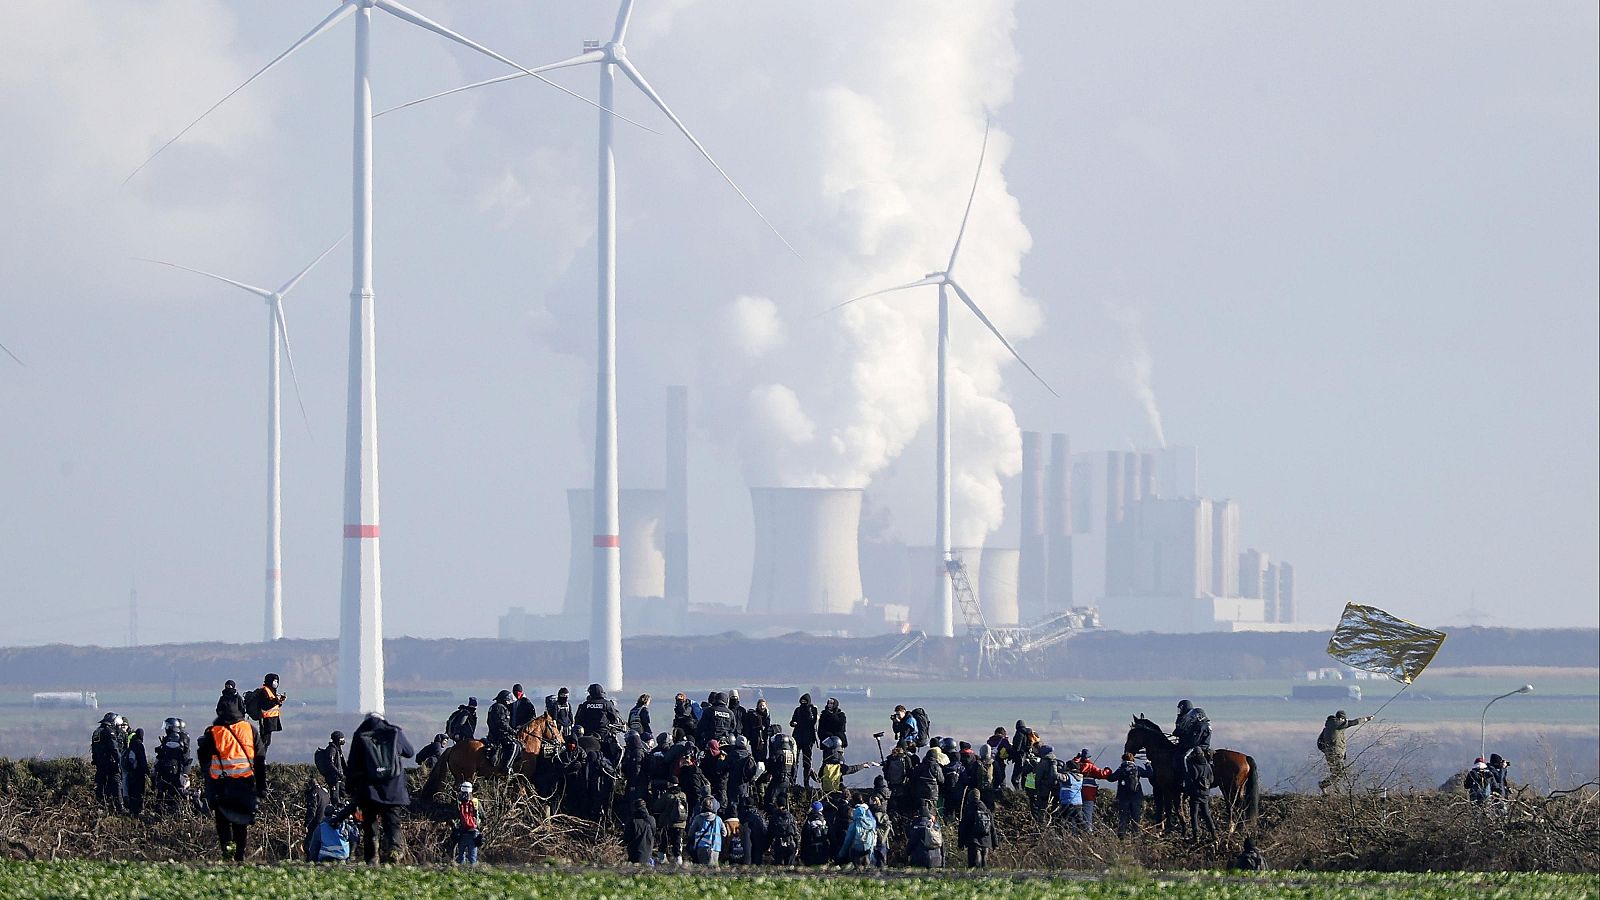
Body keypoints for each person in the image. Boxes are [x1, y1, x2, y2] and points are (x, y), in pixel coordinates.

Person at [196, 697, 263, 861]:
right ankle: (240, 856)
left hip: (222, 786)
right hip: (245, 785)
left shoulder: (214, 732)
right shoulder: (250, 729)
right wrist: (261, 787)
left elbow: (203, 757)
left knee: (223, 824)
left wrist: (209, 779)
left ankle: (227, 855)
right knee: (241, 823)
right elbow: (260, 759)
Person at [345, 712, 415, 864]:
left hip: (369, 791)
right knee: (392, 824)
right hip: (393, 789)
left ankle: (372, 859)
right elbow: (410, 752)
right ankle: (394, 852)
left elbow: (352, 765)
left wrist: (350, 789)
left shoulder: (361, 735)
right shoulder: (395, 732)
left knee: (370, 826)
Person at [1316, 709, 1372, 793]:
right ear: (1341, 718)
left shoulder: (1327, 728)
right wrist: (1366, 719)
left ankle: (1335, 790)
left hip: (1330, 755)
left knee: (1336, 773)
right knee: (1339, 773)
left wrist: (1327, 751)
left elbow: (1319, 743)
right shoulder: (1337, 724)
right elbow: (1353, 722)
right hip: (1336, 754)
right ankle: (1325, 785)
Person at [90, 712, 127, 813]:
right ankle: (120, 808)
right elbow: (114, 749)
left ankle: (100, 806)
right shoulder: (109, 732)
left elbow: (93, 748)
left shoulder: (97, 731)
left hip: (100, 763)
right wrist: (120, 762)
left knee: (101, 785)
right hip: (111, 764)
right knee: (116, 784)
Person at [1073, 749, 1115, 833]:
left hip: (1076, 794)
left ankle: (1074, 832)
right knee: (1087, 814)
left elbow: (1071, 763)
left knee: (1075, 815)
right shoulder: (1091, 766)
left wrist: (1076, 758)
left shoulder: (1075, 765)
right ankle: (1088, 832)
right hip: (1089, 795)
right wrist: (1108, 770)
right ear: (1089, 757)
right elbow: (1102, 774)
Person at [1111, 752, 1153, 837]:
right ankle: (1136, 835)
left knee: (1123, 817)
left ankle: (1121, 836)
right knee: (1136, 817)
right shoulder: (1137, 769)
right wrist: (1148, 764)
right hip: (1136, 796)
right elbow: (1149, 774)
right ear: (1133, 759)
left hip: (1123, 797)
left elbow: (1111, 778)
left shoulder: (1121, 769)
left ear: (1123, 759)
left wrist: (1107, 771)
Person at [153, 717, 191, 807]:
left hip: (171, 770)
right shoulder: (173, 738)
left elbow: (170, 752)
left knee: (168, 790)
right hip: (171, 769)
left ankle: (167, 808)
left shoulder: (175, 738)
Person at [652, 777, 689, 864]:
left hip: (668, 823)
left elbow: (657, 807)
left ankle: (662, 858)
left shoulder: (667, 795)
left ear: (670, 784)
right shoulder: (683, 795)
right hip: (681, 823)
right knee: (677, 842)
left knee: (664, 841)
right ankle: (678, 859)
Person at [958, 788, 998, 868]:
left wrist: (961, 843)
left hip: (973, 842)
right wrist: (995, 844)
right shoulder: (987, 810)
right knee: (984, 868)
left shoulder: (969, 810)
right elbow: (992, 828)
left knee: (974, 869)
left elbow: (963, 828)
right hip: (986, 842)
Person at [1183, 747, 1216, 842]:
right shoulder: (1208, 766)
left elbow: (1189, 781)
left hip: (1195, 794)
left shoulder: (1192, 766)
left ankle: (1196, 836)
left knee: (1194, 814)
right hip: (1205, 794)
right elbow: (1212, 780)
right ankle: (1213, 833)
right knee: (1206, 814)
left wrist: (1187, 793)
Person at [789, 694, 820, 788]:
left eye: (805, 702)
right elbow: (792, 721)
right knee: (795, 761)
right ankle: (793, 781)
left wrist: (815, 712)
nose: (803, 703)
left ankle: (806, 782)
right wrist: (793, 723)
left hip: (808, 739)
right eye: (802, 701)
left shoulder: (813, 710)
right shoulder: (798, 710)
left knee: (807, 762)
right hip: (798, 737)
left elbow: (814, 722)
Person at [836, 799, 877, 868]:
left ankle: (858, 869)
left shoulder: (854, 824)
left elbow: (847, 841)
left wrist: (840, 855)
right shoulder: (872, 823)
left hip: (857, 849)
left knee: (853, 851)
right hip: (868, 849)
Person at [687, 798, 726, 866]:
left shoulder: (698, 818)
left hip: (702, 846)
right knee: (714, 869)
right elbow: (724, 833)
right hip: (716, 847)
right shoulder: (718, 819)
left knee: (703, 869)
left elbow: (690, 832)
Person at [486, 690, 517, 775]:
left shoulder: (494, 706)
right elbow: (501, 722)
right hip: (500, 735)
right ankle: (507, 767)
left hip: (493, 733)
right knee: (514, 745)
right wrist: (512, 731)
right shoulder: (500, 707)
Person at [906, 801, 944, 869]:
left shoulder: (917, 827)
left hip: (921, 860)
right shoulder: (936, 827)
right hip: (937, 860)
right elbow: (942, 846)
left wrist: (907, 855)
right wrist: (943, 862)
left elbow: (911, 844)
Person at [253, 674, 285, 749]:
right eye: (274, 681)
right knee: (264, 741)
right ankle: (259, 758)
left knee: (267, 741)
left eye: (277, 681)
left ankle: (261, 758)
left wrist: (279, 701)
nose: (276, 683)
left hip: (271, 718)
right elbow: (265, 705)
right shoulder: (264, 691)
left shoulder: (272, 691)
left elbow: (273, 705)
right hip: (265, 718)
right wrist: (276, 701)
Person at [453, 781, 482, 865]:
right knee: (473, 859)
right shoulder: (476, 802)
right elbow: (484, 816)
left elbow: (454, 815)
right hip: (474, 832)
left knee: (460, 857)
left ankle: (459, 875)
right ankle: (472, 875)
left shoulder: (458, 802)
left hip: (462, 832)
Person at [123, 728, 150, 816]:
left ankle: (131, 809)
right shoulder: (139, 745)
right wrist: (146, 771)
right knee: (138, 792)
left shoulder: (131, 745)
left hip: (131, 773)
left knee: (132, 791)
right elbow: (142, 760)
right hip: (138, 773)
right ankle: (137, 811)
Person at [625, 798, 657, 864]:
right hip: (648, 853)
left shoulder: (632, 821)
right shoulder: (651, 819)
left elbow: (627, 838)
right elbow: (654, 833)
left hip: (634, 855)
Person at [799, 800, 831, 866]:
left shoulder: (809, 820)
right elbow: (830, 835)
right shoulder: (825, 820)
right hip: (823, 849)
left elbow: (804, 837)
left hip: (811, 850)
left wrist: (802, 854)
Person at [1057, 758, 1085, 830]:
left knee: (1062, 822)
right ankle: (1085, 837)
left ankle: (1063, 837)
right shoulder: (1080, 777)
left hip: (1068, 802)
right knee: (1080, 822)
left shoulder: (1068, 777)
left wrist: (1054, 767)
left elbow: (1057, 776)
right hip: (1078, 803)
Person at [1012, 720, 1039, 789]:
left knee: (1015, 778)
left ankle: (1018, 791)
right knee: (1025, 776)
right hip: (1028, 758)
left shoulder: (1019, 733)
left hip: (1020, 757)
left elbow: (1017, 747)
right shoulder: (1028, 733)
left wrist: (1013, 753)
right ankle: (1026, 792)